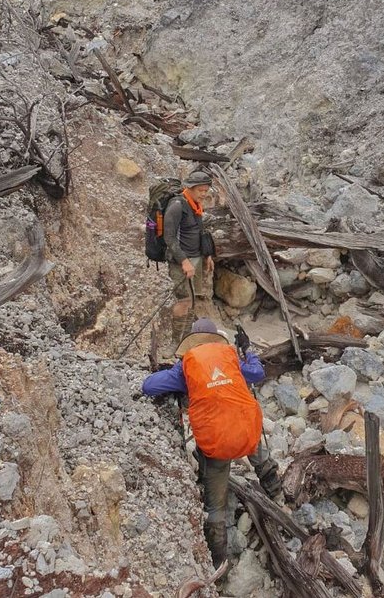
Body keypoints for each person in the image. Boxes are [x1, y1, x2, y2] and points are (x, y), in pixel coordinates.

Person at [142, 318, 281, 568]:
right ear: (217, 339)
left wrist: (176, 374)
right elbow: (258, 373)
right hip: (246, 430)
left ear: (192, 343)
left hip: (217, 441)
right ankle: (277, 496)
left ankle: (219, 565)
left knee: (215, 507)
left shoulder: (187, 364)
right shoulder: (230, 357)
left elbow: (149, 386)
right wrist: (248, 351)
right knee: (251, 437)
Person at [162, 170, 215, 356]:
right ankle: (175, 344)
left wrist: (207, 254)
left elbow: (199, 231)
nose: (203, 194)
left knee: (193, 299)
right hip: (181, 261)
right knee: (183, 300)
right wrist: (184, 261)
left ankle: (188, 340)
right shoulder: (177, 206)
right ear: (189, 188)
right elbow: (169, 237)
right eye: (200, 190)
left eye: (206, 190)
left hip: (196, 258)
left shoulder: (196, 205)